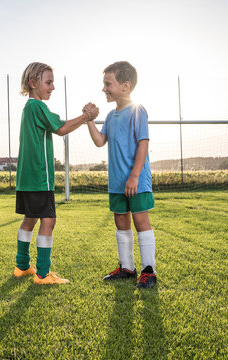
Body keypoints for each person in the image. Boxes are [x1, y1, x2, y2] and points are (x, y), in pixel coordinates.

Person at [14, 62, 99, 285]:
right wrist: (86, 116)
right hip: (40, 178)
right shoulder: (37, 107)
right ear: (33, 83)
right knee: (49, 220)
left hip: (26, 178)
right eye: (48, 82)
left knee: (30, 218)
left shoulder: (29, 108)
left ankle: (21, 266)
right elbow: (61, 128)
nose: (52, 87)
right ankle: (43, 274)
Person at [86, 61, 157, 289]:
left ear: (125, 86)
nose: (104, 88)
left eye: (108, 84)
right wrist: (89, 120)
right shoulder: (109, 116)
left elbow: (143, 144)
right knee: (120, 221)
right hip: (117, 182)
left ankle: (149, 271)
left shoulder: (137, 111)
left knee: (140, 220)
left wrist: (135, 175)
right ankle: (127, 267)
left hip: (136, 181)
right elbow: (99, 141)